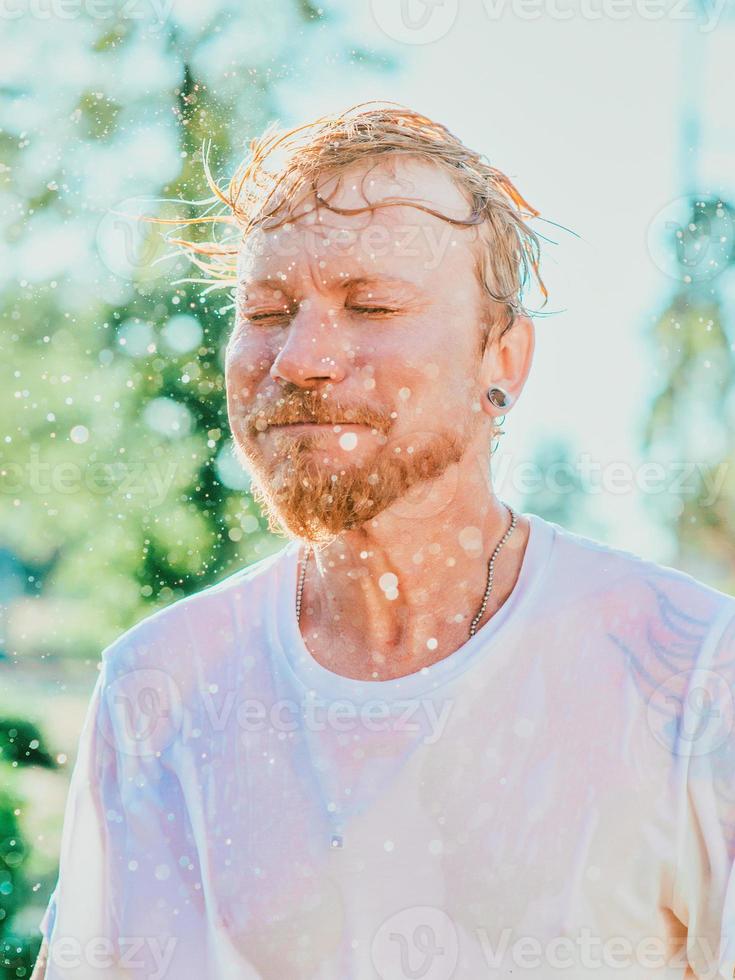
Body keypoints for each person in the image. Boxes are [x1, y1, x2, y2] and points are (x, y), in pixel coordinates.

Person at [33, 103, 735, 979]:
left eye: (369, 305)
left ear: (502, 362)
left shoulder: (691, 673)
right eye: (264, 309)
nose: (299, 358)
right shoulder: (160, 687)